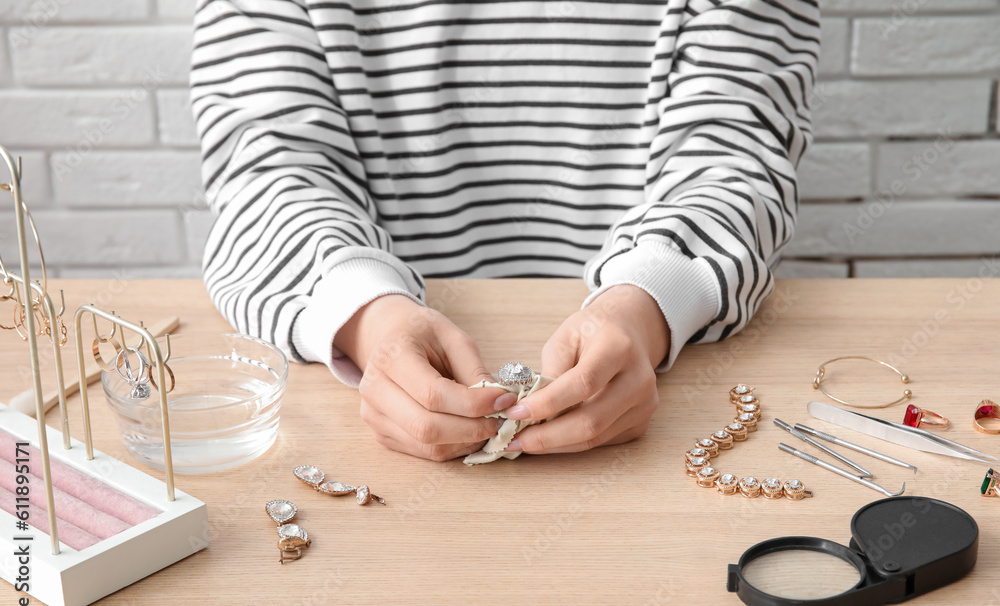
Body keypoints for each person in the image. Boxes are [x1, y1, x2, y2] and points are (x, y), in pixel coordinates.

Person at [190, 0, 820, 461]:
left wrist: (649, 303)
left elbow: (735, 152)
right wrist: (366, 319)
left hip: (653, 414)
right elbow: (266, 172)